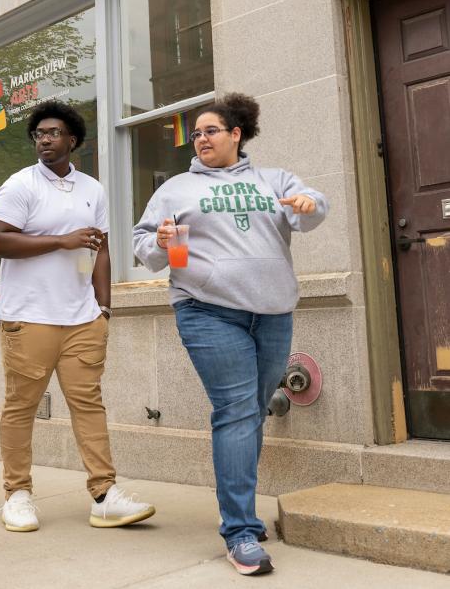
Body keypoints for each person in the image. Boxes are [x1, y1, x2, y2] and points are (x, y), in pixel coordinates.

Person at [132, 93, 328, 576]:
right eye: (195, 133)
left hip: (272, 312)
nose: (200, 139)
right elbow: (143, 246)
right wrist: (156, 242)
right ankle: (239, 530)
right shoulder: (176, 188)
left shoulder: (273, 179)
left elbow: (311, 209)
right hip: (207, 310)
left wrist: (308, 203)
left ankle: (243, 513)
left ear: (237, 133)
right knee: (237, 409)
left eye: (210, 130)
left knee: (254, 410)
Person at [0, 100, 155, 533]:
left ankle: (104, 495)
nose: (44, 139)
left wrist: (104, 306)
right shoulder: (20, 185)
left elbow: (100, 249)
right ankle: (17, 494)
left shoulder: (92, 189)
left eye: (54, 132)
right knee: (21, 407)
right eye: (39, 133)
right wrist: (60, 241)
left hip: (82, 318)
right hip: (29, 316)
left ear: (72, 140)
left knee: (88, 404)